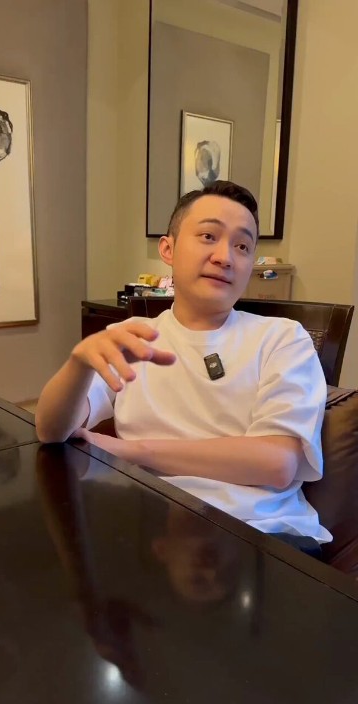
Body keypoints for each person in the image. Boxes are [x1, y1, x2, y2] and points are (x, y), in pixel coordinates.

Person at [36, 180, 331, 551]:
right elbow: (51, 429)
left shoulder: (282, 338)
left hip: (263, 534)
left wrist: (131, 450)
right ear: (168, 248)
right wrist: (78, 365)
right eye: (208, 236)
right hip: (152, 528)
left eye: (242, 246)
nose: (225, 257)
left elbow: (276, 463)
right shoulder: (132, 336)